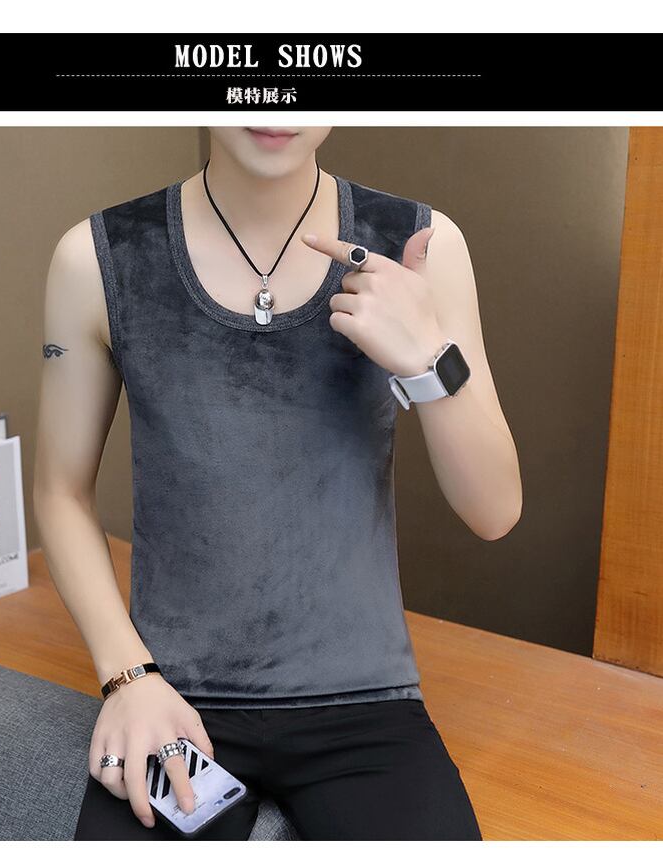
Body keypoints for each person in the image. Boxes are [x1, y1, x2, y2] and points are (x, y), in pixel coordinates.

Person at [33, 126, 522, 840]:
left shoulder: (421, 245)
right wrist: (128, 678)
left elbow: (495, 511)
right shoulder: (98, 257)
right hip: (175, 699)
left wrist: (426, 357)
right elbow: (60, 491)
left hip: (365, 705)